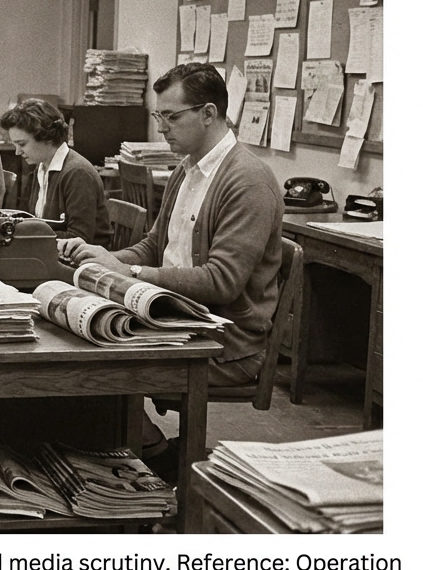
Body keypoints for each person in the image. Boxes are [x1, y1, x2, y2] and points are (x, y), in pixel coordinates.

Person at [60, 63, 283, 467]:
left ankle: (154, 459)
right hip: (176, 315)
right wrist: (108, 258)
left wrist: (129, 274)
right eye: (158, 116)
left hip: (224, 338)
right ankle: (142, 453)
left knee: (90, 363)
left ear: (209, 114)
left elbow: (221, 283)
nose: (162, 127)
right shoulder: (188, 168)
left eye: (171, 116)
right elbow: (153, 246)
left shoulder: (248, 181)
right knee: (75, 341)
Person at [0, 98, 112, 246]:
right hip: (52, 251)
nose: (17, 152)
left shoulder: (78, 173)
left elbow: (79, 238)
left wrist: (26, 235)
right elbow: (31, 220)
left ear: (46, 137)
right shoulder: (40, 167)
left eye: (22, 144)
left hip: (83, 259)